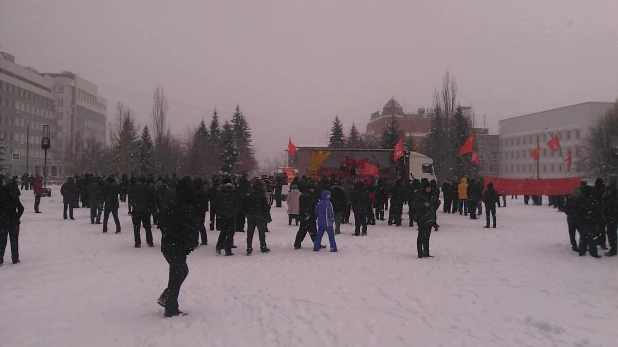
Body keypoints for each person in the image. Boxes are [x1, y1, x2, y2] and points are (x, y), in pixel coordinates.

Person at [157, 177, 197, 317]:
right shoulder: (183, 208)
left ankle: (167, 297)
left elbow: (162, 221)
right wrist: (187, 243)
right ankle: (170, 306)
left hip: (170, 244)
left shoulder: (173, 205)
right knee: (177, 273)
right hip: (175, 245)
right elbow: (186, 229)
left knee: (181, 271)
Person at [0, 184, 25, 266]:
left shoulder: (1, 199)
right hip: (13, 223)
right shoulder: (13, 198)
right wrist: (17, 217)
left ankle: (0, 258)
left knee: (2, 242)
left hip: (3, 223)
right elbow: (21, 208)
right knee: (14, 241)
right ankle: (15, 258)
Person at [244, 179, 271, 255]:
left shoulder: (249, 195)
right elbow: (265, 207)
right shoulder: (262, 195)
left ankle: (249, 247)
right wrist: (267, 216)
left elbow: (245, 205)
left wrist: (247, 212)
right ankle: (263, 246)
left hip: (251, 215)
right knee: (261, 232)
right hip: (260, 216)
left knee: (250, 232)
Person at [215, 179, 240, 255]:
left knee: (223, 232)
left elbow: (217, 204)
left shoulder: (220, 194)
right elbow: (238, 205)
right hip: (231, 215)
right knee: (230, 233)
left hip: (223, 216)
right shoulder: (235, 195)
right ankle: (228, 249)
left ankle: (219, 246)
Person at [414, 181, 438, 258]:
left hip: (430, 218)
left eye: (429, 188)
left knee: (427, 236)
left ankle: (426, 252)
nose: (428, 189)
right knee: (421, 236)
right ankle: (420, 252)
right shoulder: (420, 195)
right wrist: (423, 204)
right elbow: (415, 205)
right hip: (422, 218)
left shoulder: (432, 196)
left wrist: (434, 220)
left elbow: (435, 205)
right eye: (427, 188)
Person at [129, 177, 155, 248]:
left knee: (136, 227)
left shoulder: (134, 189)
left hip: (136, 210)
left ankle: (137, 242)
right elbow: (152, 200)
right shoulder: (149, 189)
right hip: (146, 210)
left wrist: (134, 205)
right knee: (147, 226)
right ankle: (150, 241)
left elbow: (131, 199)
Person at [295, 184, 321, 249]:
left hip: (304, 215)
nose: (314, 190)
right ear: (310, 189)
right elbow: (311, 206)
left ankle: (297, 243)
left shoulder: (303, 195)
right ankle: (317, 243)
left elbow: (303, 206)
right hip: (309, 216)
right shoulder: (309, 196)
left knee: (302, 230)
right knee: (313, 231)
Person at [578, 186, 601, 258]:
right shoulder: (593, 200)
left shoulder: (581, 200)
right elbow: (597, 211)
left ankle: (582, 251)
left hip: (583, 221)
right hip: (592, 221)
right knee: (592, 237)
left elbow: (579, 210)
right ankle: (593, 252)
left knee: (583, 237)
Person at [562, 187, 582, 252]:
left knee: (582, 233)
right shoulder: (569, 199)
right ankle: (574, 246)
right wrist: (571, 213)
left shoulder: (580, 200)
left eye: (577, 193)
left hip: (578, 219)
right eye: (575, 193)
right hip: (572, 219)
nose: (576, 194)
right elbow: (566, 209)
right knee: (572, 234)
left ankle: (581, 245)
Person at [193, 178, 209, 246]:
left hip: (196, 210)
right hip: (201, 210)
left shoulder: (194, 192)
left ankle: (195, 241)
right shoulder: (203, 191)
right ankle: (204, 240)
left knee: (196, 226)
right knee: (201, 225)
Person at [602, 181, 617, 256]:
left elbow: (607, 208)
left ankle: (613, 249)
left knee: (611, 234)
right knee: (612, 234)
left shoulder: (612, 198)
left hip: (611, 218)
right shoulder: (611, 197)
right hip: (611, 218)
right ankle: (614, 248)